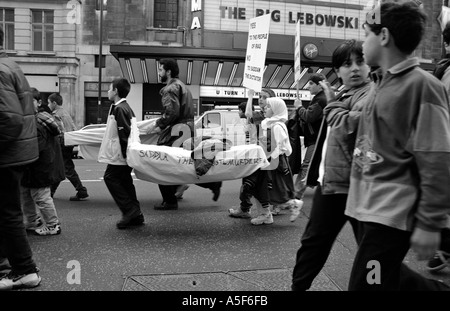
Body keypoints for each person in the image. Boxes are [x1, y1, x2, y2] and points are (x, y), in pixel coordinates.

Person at [345, 1, 450, 290]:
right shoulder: (380, 83)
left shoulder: (423, 85)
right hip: (365, 210)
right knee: (390, 279)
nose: (362, 41)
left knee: (368, 284)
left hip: (390, 213)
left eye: (366, 32)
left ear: (384, 36)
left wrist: (430, 223)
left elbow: (437, 158)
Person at [291, 39, 372, 291]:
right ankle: (297, 287)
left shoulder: (372, 93)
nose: (355, 68)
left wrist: (331, 102)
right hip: (333, 185)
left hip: (360, 188)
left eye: (360, 62)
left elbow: (351, 124)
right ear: (337, 71)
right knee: (313, 243)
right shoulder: (342, 94)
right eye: (347, 64)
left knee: (374, 255)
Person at [0, 25, 42, 290]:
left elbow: (8, 119)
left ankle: (23, 270)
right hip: (15, 153)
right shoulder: (10, 65)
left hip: (6, 154)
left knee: (7, 213)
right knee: (7, 212)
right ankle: (18, 269)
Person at [148, 58, 220, 210]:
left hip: (176, 130)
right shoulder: (182, 86)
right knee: (184, 164)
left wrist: (159, 125)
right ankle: (211, 183)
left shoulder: (170, 89)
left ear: (168, 71)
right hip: (186, 129)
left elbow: (171, 112)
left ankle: (170, 200)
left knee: (163, 164)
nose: (159, 72)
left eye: (161, 69)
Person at [21, 87, 65, 236]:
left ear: (38, 102)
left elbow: (34, 148)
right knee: (26, 194)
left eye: (30, 101)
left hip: (40, 167)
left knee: (41, 197)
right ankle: (32, 221)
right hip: (33, 167)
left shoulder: (38, 122)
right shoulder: (36, 119)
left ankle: (53, 225)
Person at [102, 77, 144, 229]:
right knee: (126, 182)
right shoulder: (126, 107)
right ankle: (136, 213)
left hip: (120, 154)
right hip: (124, 153)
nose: (108, 91)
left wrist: (127, 156)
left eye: (110, 88)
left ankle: (130, 210)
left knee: (110, 178)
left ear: (116, 91)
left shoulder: (120, 109)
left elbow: (124, 133)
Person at [228, 88, 274, 219]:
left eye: (264, 97)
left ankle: (268, 212)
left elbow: (248, 113)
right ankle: (248, 209)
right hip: (257, 154)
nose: (260, 99)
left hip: (263, 157)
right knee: (251, 183)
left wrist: (250, 96)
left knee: (257, 185)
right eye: (260, 97)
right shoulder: (262, 115)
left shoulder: (267, 117)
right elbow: (249, 117)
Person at [262, 97, 303, 223]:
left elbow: (281, 146)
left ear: (275, 109)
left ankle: (293, 204)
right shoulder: (271, 123)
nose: (265, 108)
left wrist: (269, 157)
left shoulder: (277, 126)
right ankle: (287, 205)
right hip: (275, 161)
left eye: (268, 106)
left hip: (277, 162)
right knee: (276, 188)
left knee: (278, 188)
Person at [293, 73, 327, 208]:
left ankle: (295, 195)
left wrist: (299, 107)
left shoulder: (320, 100)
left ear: (320, 85)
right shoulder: (321, 98)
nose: (308, 86)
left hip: (316, 140)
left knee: (306, 166)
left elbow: (308, 116)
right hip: (319, 139)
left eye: (311, 83)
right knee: (317, 166)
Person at [48, 93, 89, 201]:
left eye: (49, 103)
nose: (48, 105)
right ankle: (51, 192)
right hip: (68, 143)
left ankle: (81, 190)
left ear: (54, 103)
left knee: (65, 167)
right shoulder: (66, 113)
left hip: (62, 143)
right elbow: (74, 128)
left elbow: (56, 131)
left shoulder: (56, 115)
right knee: (60, 167)